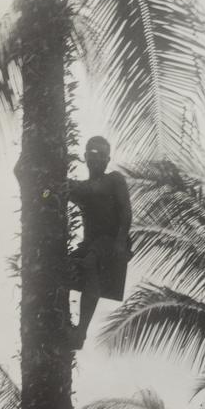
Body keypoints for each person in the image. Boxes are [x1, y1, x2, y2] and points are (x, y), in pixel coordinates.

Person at [68, 136, 132, 350]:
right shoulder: (82, 187)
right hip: (91, 245)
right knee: (61, 267)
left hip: (111, 240)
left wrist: (121, 241)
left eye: (102, 156)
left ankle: (81, 332)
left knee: (89, 264)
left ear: (108, 159)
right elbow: (56, 190)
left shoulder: (114, 180)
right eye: (92, 154)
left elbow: (125, 211)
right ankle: (67, 324)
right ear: (85, 156)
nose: (96, 159)